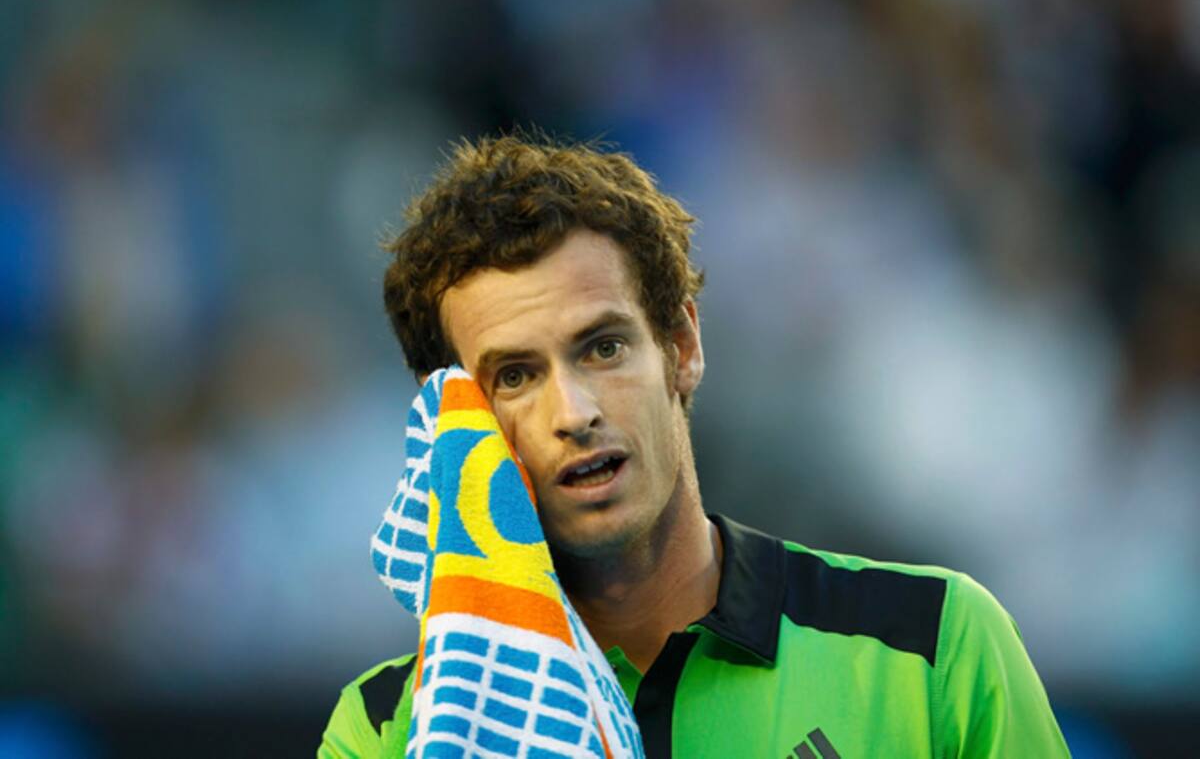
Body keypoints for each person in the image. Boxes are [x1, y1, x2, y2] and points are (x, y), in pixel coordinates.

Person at [319, 134, 1070, 758]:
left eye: (603, 348)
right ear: (451, 417)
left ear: (682, 345)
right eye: (515, 376)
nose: (573, 411)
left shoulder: (935, 645)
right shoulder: (386, 730)